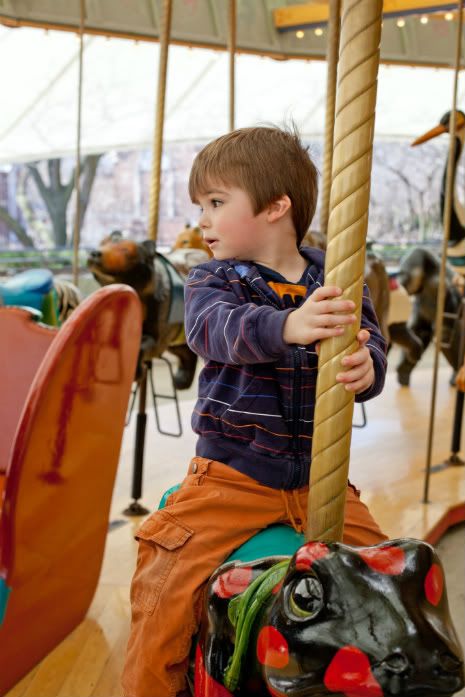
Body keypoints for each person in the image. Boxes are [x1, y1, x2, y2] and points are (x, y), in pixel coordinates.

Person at [122, 126, 388, 697]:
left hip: (324, 477)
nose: (204, 222)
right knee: (164, 589)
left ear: (275, 206)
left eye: (216, 204)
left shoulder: (338, 275)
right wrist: (285, 326)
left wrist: (368, 370)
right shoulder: (214, 280)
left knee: (387, 582)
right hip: (232, 477)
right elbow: (212, 333)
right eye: (202, 207)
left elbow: (370, 344)